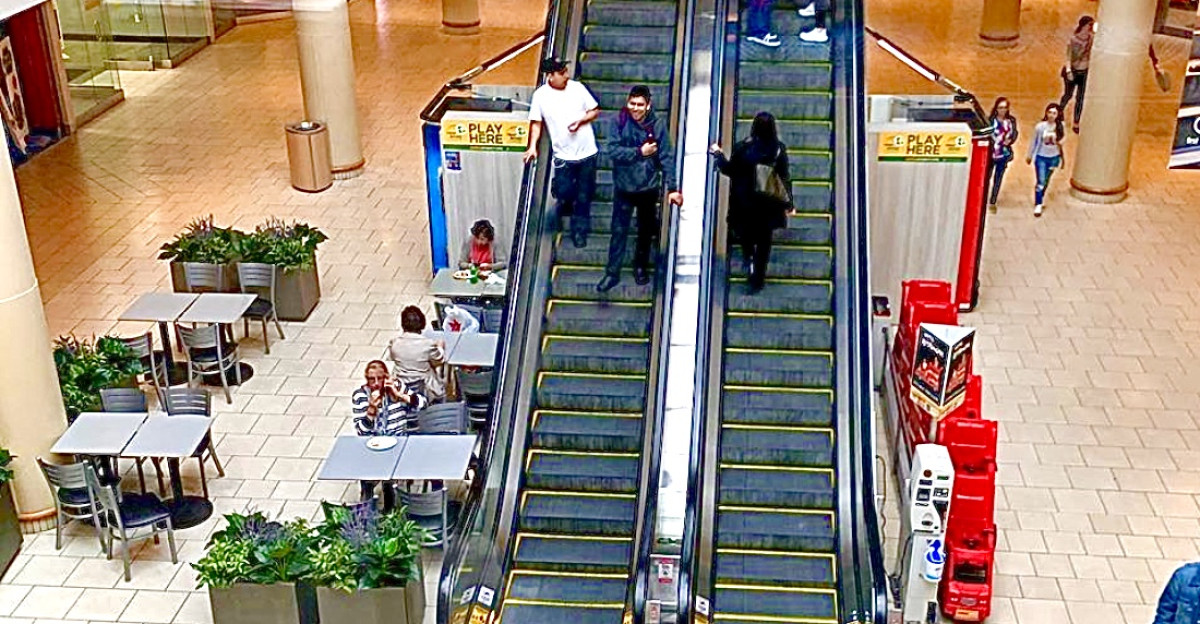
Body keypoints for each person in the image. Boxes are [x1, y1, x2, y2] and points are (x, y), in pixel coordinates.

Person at [597, 86, 683, 293]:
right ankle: (612, 272)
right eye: (632, 104)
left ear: (648, 105)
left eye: (640, 105)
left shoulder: (657, 125)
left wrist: (673, 187)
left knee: (645, 231)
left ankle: (640, 266)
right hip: (623, 188)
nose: (635, 108)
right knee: (618, 231)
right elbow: (612, 151)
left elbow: (666, 157)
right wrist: (639, 152)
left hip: (648, 188)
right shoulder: (618, 121)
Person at [709, 111, 792, 294]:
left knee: (745, 233)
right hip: (768, 205)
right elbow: (784, 177)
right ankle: (758, 278)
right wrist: (789, 204)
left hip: (746, 203)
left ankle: (748, 255)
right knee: (764, 242)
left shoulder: (744, 148)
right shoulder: (778, 150)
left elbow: (730, 170)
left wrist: (719, 155)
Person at [525, 57, 600, 249]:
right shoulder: (540, 96)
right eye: (561, 72)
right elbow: (536, 122)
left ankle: (579, 232)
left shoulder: (577, 88)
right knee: (564, 191)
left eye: (565, 71)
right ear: (550, 76)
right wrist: (532, 146)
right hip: (563, 155)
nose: (566, 75)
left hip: (587, 153)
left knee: (584, 196)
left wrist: (581, 121)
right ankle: (564, 200)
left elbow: (594, 110)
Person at [351, 360, 427, 506]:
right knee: (366, 475)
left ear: (386, 377)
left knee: (390, 479)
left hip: (397, 440)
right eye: (371, 379)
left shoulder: (396, 387)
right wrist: (371, 410)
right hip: (373, 443)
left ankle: (390, 503)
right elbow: (361, 430)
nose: (376, 383)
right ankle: (366, 506)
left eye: (380, 378)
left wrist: (400, 395)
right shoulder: (360, 396)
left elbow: (423, 404)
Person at [388, 306, 447, 401]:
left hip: (401, 386)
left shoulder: (394, 343)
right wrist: (440, 347)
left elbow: (393, 357)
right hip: (425, 388)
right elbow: (439, 360)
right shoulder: (428, 345)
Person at [1025, 103, 1065, 218]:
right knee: (1041, 181)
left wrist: (1061, 158)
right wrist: (1030, 154)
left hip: (1054, 157)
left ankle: (1040, 196)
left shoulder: (1060, 127)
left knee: (1046, 180)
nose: (1052, 115)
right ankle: (1038, 203)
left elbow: (1062, 142)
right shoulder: (1040, 127)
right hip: (1041, 156)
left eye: (1054, 113)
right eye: (1050, 112)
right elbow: (1035, 141)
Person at [1059, 15, 1094, 134]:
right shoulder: (1073, 40)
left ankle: (1076, 121)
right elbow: (1069, 56)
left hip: (1084, 71)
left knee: (1080, 98)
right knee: (1068, 94)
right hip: (1073, 70)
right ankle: (1059, 111)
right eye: (1089, 24)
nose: (1091, 27)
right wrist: (1068, 70)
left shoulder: (1091, 39)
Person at [986, 97, 1018, 212]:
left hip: (1003, 154)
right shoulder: (990, 120)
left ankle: (993, 200)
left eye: (1005, 107)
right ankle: (983, 197)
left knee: (998, 178)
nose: (1002, 110)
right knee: (986, 177)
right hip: (991, 154)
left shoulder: (1011, 121)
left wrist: (1010, 141)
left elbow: (1014, 133)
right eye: (1000, 107)